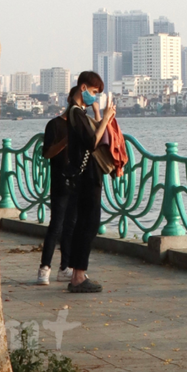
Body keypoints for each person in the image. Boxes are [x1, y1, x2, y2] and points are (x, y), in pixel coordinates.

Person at [64, 69, 115, 294]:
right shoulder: (76, 113)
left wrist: (96, 113)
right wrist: (104, 119)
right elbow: (92, 142)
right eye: (93, 92)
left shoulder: (77, 113)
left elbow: (90, 135)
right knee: (89, 223)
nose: (94, 96)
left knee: (84, 223)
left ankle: (78, 273)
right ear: (83, 88)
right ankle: (78, 275)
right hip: (86, 177)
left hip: (83, 175)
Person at [37, 85, 81, 285]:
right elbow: (46, 153)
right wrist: (65, 141)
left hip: (77, 181)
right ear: (70, 100)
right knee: (56, 225)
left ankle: (65, 267)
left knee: (71, 225)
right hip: (60, 181)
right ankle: (44, 268)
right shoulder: (54, 125)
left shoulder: (82, 124)